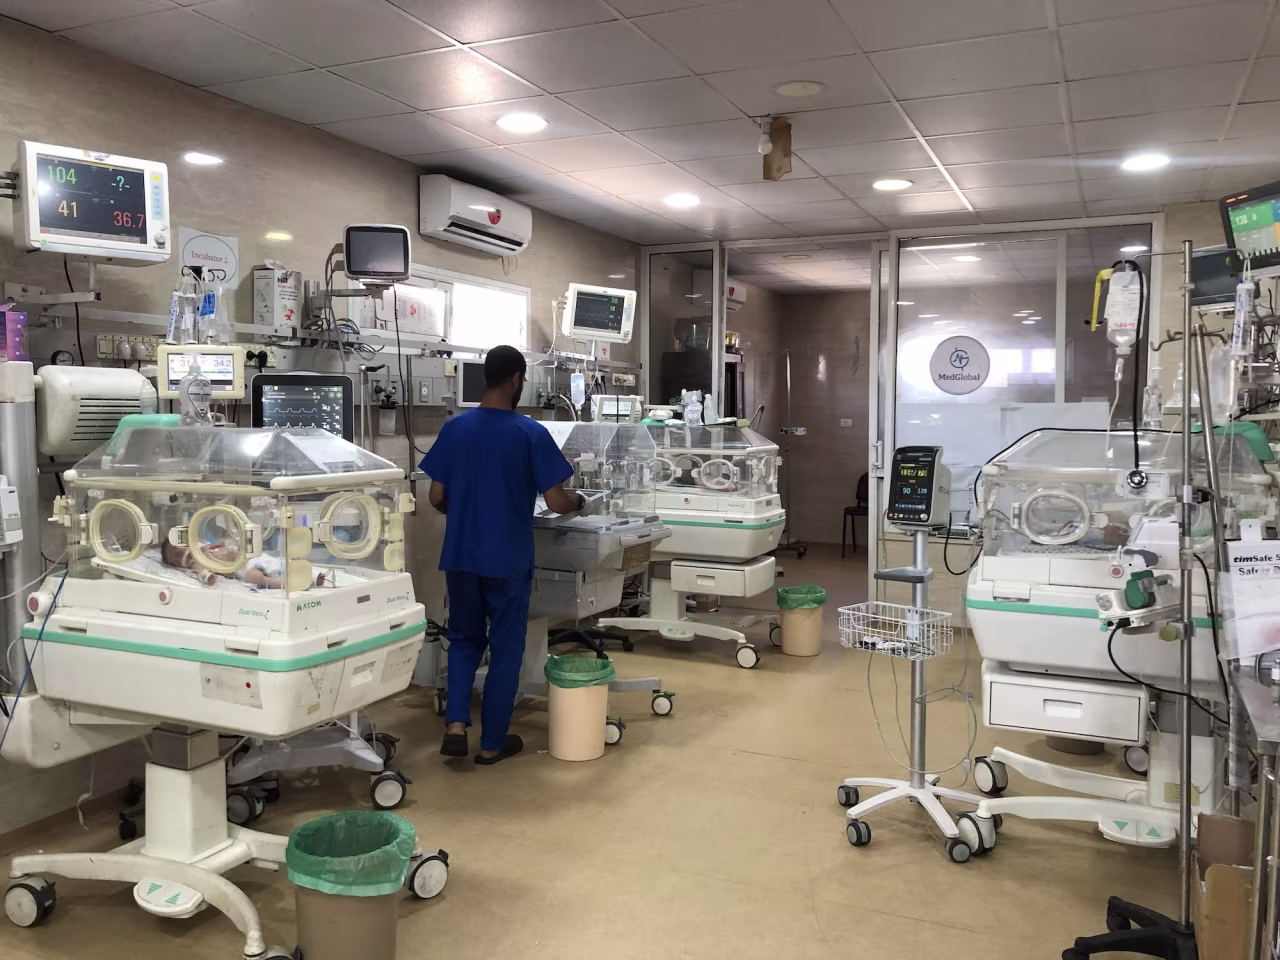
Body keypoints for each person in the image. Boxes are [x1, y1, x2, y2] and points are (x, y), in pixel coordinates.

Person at [423, 345, 585, 764]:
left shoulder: (455, 429)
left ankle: (456, 726)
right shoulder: (529, 433)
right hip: (507, 558)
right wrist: (580, 502)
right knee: (506, 646)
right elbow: (557, 500)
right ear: (516, 378)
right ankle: (493, 742)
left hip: (460, 554)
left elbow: (436, 495)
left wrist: (463, 513)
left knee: (463, 639)